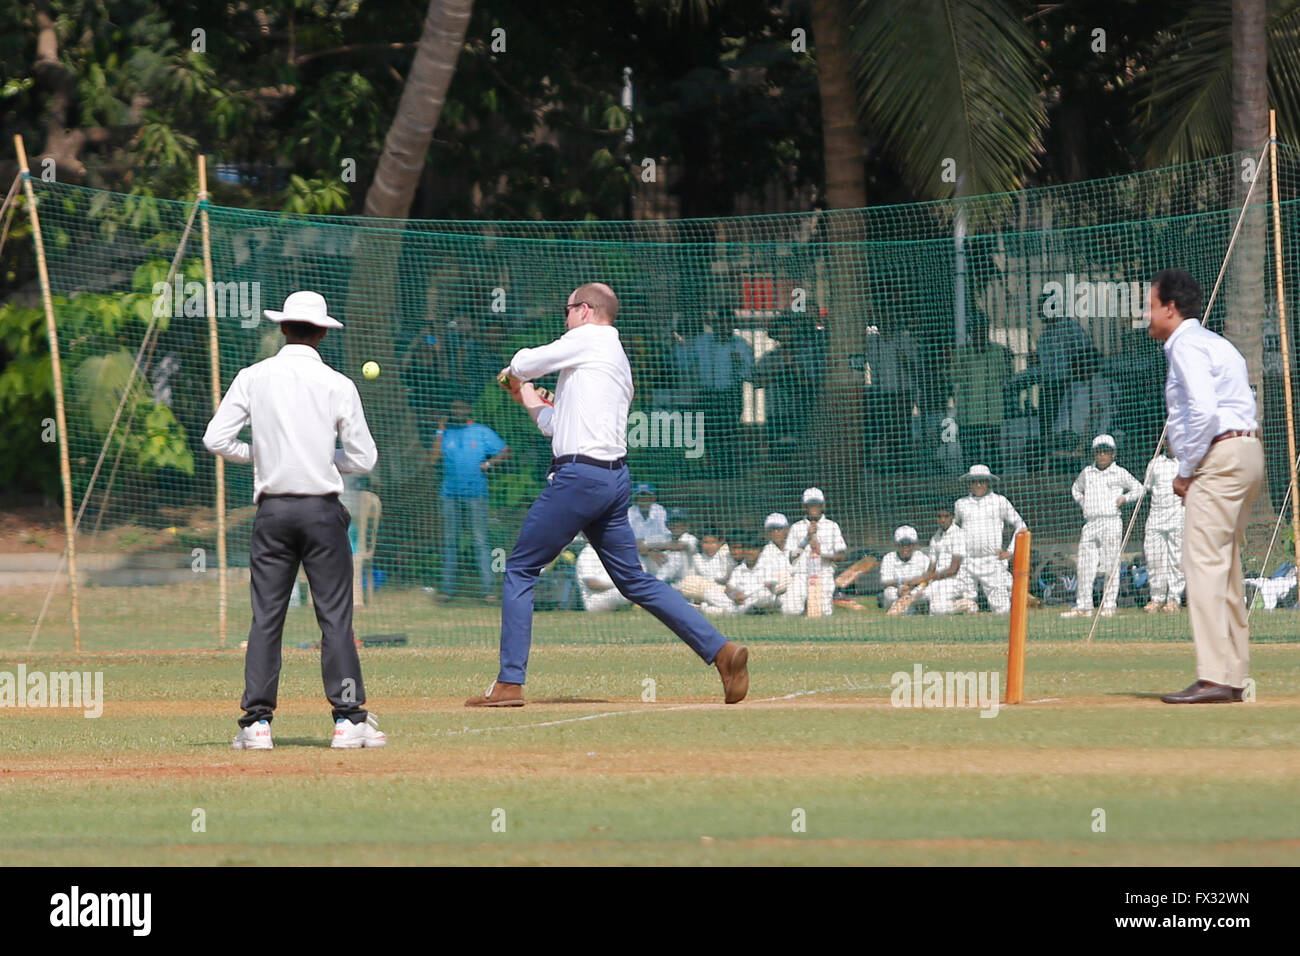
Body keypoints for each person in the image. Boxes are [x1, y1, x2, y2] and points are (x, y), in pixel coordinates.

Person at [467, 282, 749, 706]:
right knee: (634, 580)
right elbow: (553, 425)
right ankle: (722, 651)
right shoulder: (611, 360)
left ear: (584, 310)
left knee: (521, 571)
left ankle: (509, 683)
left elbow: (525, 361)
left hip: (578, 477)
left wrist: (516, 374)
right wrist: (523, 393)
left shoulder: (587, 338)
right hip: (613, 480)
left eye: (567, 310)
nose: (565, 319)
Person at [203, 290, 386, 750]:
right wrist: (323, 458)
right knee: (335, 619)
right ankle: (348, 721)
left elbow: (216, 439)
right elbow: (364, 458)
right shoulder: (338, 383)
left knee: (266, 617)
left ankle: (257, 724)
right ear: (323, 332)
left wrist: (260, 456)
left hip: (274, 512)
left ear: (283, 328)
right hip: (322, 512)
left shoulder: (253, 376)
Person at [1148, 269, 1264, 704]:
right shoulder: (1217, 342)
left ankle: (1216, 677)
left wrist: (1187, 469)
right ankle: (1232, 676)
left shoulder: (1186, 345)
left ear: (1170, 308)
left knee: (1203, 566)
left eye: (1151, 305)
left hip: (1218, 456)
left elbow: (1202, 409)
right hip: (1246, 452)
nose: (1148, 314)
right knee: (1227, 568)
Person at [430, 397, 510, 603]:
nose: (458, 410)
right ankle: (447, 591)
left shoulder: (481, 431)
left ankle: (488, 591)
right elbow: (432, 459)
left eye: (461, 407)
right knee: (450, 541)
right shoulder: (445, 433)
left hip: (476, 495)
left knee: (480, 541)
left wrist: (489, 464)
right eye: (454, 407)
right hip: (449, 494)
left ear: (468, 409)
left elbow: (504, 450)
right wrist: (439, 430)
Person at [1061, 435, 1143, 619]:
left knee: (1111, 564)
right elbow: (1076, 488)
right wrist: (1082, 501)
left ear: (1113, 454)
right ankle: (1084, 605)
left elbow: (1138, 488)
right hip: (1090, 523)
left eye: (1106, 451)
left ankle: (1109, 605)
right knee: (1084, 564)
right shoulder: (1087, 472)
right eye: (1099, 451)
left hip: (1111, 521)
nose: (1102, 455)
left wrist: (1124, 498)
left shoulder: (1119, 472)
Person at [953, 464, 1027, 614]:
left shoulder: (1000, 501)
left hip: (992, 561)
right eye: (975, 481)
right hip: (968, 561)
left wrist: (1010, 551)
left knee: (1002, 609)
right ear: (969, 483)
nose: (979, 485)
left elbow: (1021, 526)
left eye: (982, 481)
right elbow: (953, 529)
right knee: (967, 606)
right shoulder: (961, 504)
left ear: (988, 482)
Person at [949, 314, 1012, 472]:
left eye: (983, 329)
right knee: (971, 459)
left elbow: (1005, 375)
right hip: (968, 416)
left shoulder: (998, 351)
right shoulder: (961, 353)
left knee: (993, 457)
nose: (980, 333)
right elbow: (953, 376)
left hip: (992, 414)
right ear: (970, 332)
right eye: (976, 330)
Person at [785, 487, 848, 616]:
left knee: (824, 613)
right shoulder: (796, 527)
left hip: (823, 574)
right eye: (810, 504)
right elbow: (791, 557)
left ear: (822, 505)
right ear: (804, 507)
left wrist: (821, 551)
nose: (814, 507)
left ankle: (814, 605)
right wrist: (806, 540)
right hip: (801, 574)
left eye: (817, 504)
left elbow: (841, 556)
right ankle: (804, 607)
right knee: (790, 611)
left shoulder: (832, 526)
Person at [1142, 445, 1186, 613]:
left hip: (1178, 517)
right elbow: (1147, 487)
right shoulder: (1154, 463)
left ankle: (1174, 599)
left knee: (1177, 559)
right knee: (1154, 559)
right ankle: (1156, 598)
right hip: (1156, 516)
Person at [926, 506, 978, 615]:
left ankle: (968, 604)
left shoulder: (958, 535)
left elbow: (953, 570)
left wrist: (931, 577)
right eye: (939, 517)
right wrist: (920, 583)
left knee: (936, 609)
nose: (943, 520)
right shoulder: (935, 537)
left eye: (946, 516)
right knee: (914, 596)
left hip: (957, 580)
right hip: (938, 580)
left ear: (953, 517)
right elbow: (932, 567)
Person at [879, 526, 931, 613]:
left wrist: (913, 590)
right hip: (897, 591)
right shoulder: (888, 557)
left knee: (929, 591)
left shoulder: (923, 558)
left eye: (909, 544)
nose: (905, 548)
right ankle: (908, 610)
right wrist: (900, 584)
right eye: (902, 544)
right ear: (896, 544)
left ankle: (902, 609)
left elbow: (928, 579)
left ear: (914, 544)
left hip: (916, 591)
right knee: (889, 593)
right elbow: (884, 581)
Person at [755, 512, 798, 614]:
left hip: (794, 588)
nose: (775, 532)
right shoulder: (766, 552)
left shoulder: (795, 547)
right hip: (774, 592)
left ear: (787, 529)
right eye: (772, 529)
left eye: (779, 528)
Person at [575, 538, 633, 612]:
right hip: (594, 600)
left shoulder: (607, 552)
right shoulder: (587, 553)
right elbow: (591, 584)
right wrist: (616, 585)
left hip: (610, 593)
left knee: (632, 588)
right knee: (624, 592)